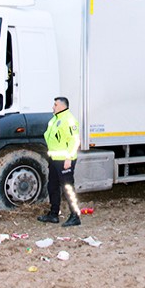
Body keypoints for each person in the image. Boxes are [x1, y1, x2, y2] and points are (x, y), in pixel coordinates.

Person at [37, 97, 82, 227]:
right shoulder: (56, 119)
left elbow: (75, 141)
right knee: (52, 186)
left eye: (55, 105)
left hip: (64, 161)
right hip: (55, 159)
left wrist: (69, 158)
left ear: (62, 106)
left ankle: (75, 216)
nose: (53, 107)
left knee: (68, 188)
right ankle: (54, 214)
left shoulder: (69, 120)